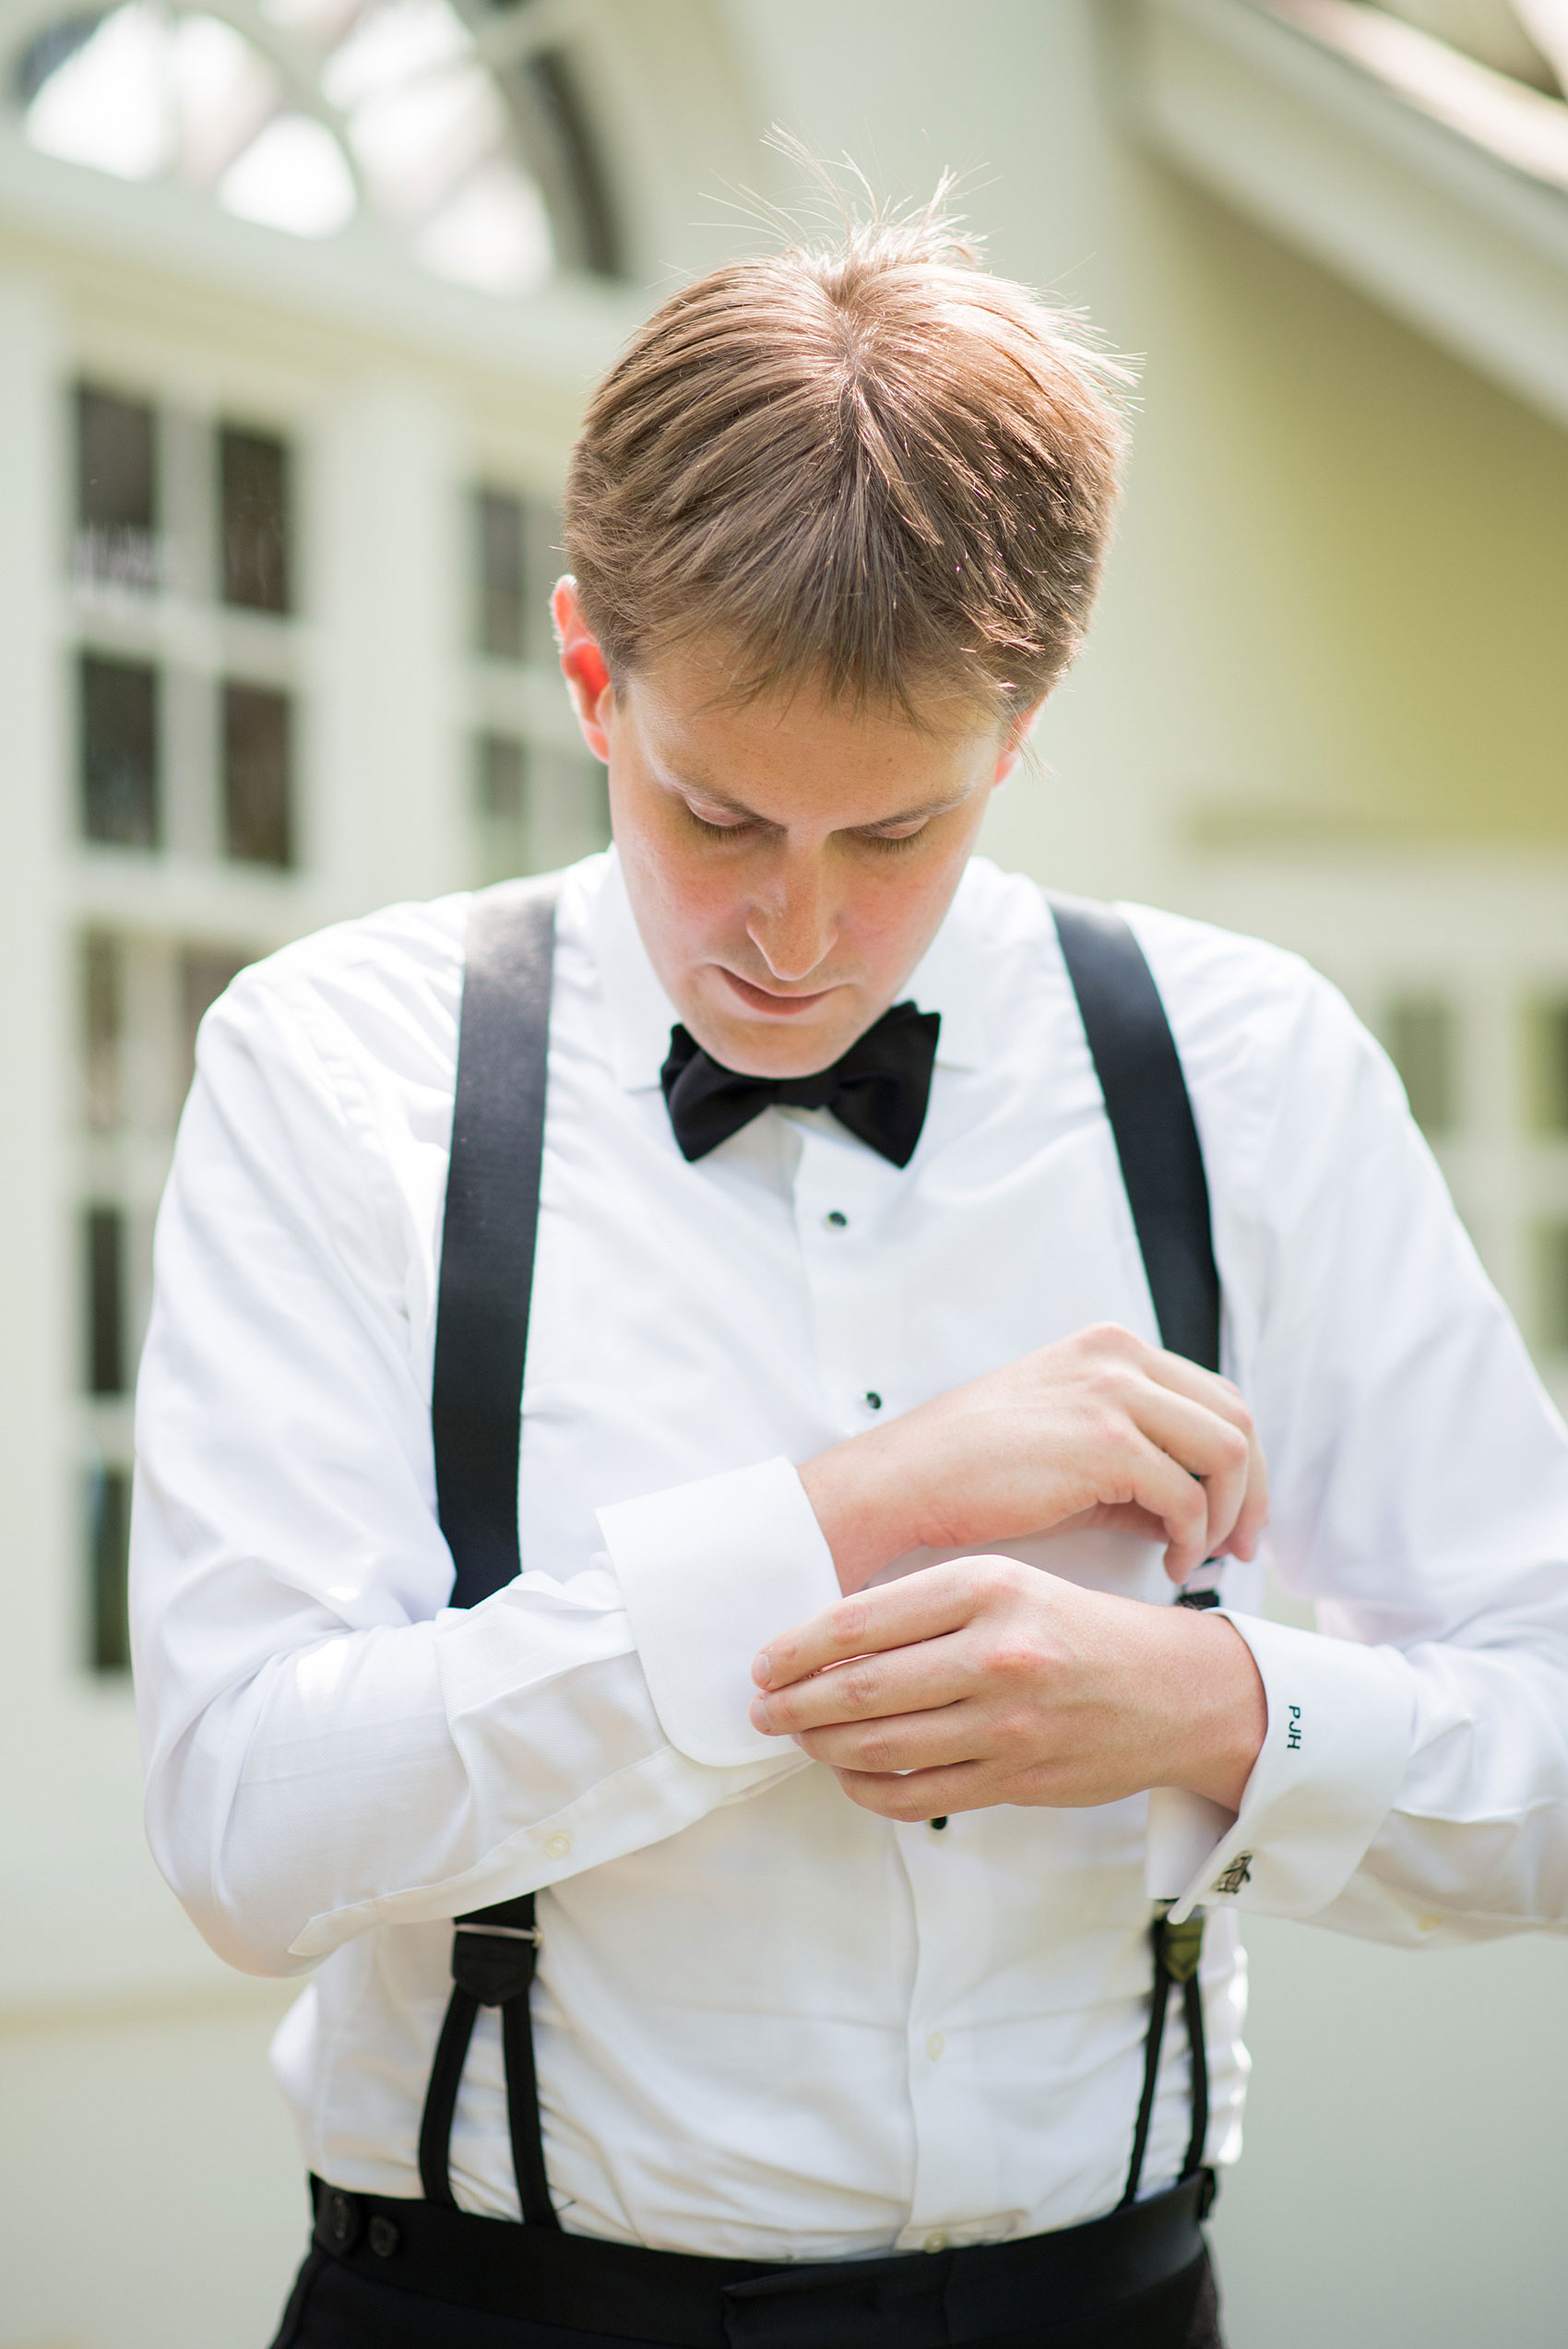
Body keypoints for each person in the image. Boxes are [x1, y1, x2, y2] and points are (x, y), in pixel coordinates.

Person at [131, 197, 1568, 2349]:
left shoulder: (1250, 1072)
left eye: (892, 837)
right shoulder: (339, 1069)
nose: (792, 936)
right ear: (589, 673)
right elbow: (245, 1831)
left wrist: (1208, 1707)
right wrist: (855, 1514)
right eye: (716, 817)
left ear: (1022, 722)